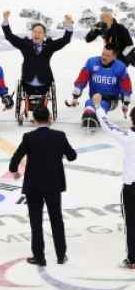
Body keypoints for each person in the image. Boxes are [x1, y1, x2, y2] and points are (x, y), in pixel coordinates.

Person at [9, 105, 77, 266]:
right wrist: (60, 153)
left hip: (34, 185)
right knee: (56, 219)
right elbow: (72, 156)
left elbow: (16, 158)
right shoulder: (59, 136)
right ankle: (61, 255)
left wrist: (13, 171)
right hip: (54, 184)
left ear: (34, 119)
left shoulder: (29, 137)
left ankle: (39, 256)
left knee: (36, 222)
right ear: (50, 117)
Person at [2, 11, 73, 122]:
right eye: (35, 32)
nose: (37, 34)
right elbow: (9, 37)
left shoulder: (49, 46)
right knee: (26, 93)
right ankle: (27, 111)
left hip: (44, 82)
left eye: (39, 32)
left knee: (44, 94)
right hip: (28, 82)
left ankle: (43, 112)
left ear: (44, 35)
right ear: (32, 33)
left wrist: (69, 24)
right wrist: (5, 20)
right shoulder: (25, 44)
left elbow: (65, 40)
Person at [92, 93, 135, 270]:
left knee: (131, 224)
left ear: (132, 121)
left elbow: (108, 125)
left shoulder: (128, 136)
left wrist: (98, 106)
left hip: (131, 188)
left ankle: (133, 259)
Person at [68, 43, 132, 127]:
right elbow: (81, 80)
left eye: (108, 56)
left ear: (114, 57)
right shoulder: (91, 62)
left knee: (103, 104)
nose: (104, 57)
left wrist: (126, 103)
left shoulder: (121, 67)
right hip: (95, 97)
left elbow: (126, 86)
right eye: (103, 54)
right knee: (89, 102)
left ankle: (97, 116)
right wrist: (75, 97)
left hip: (111, 99)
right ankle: (88, 114)